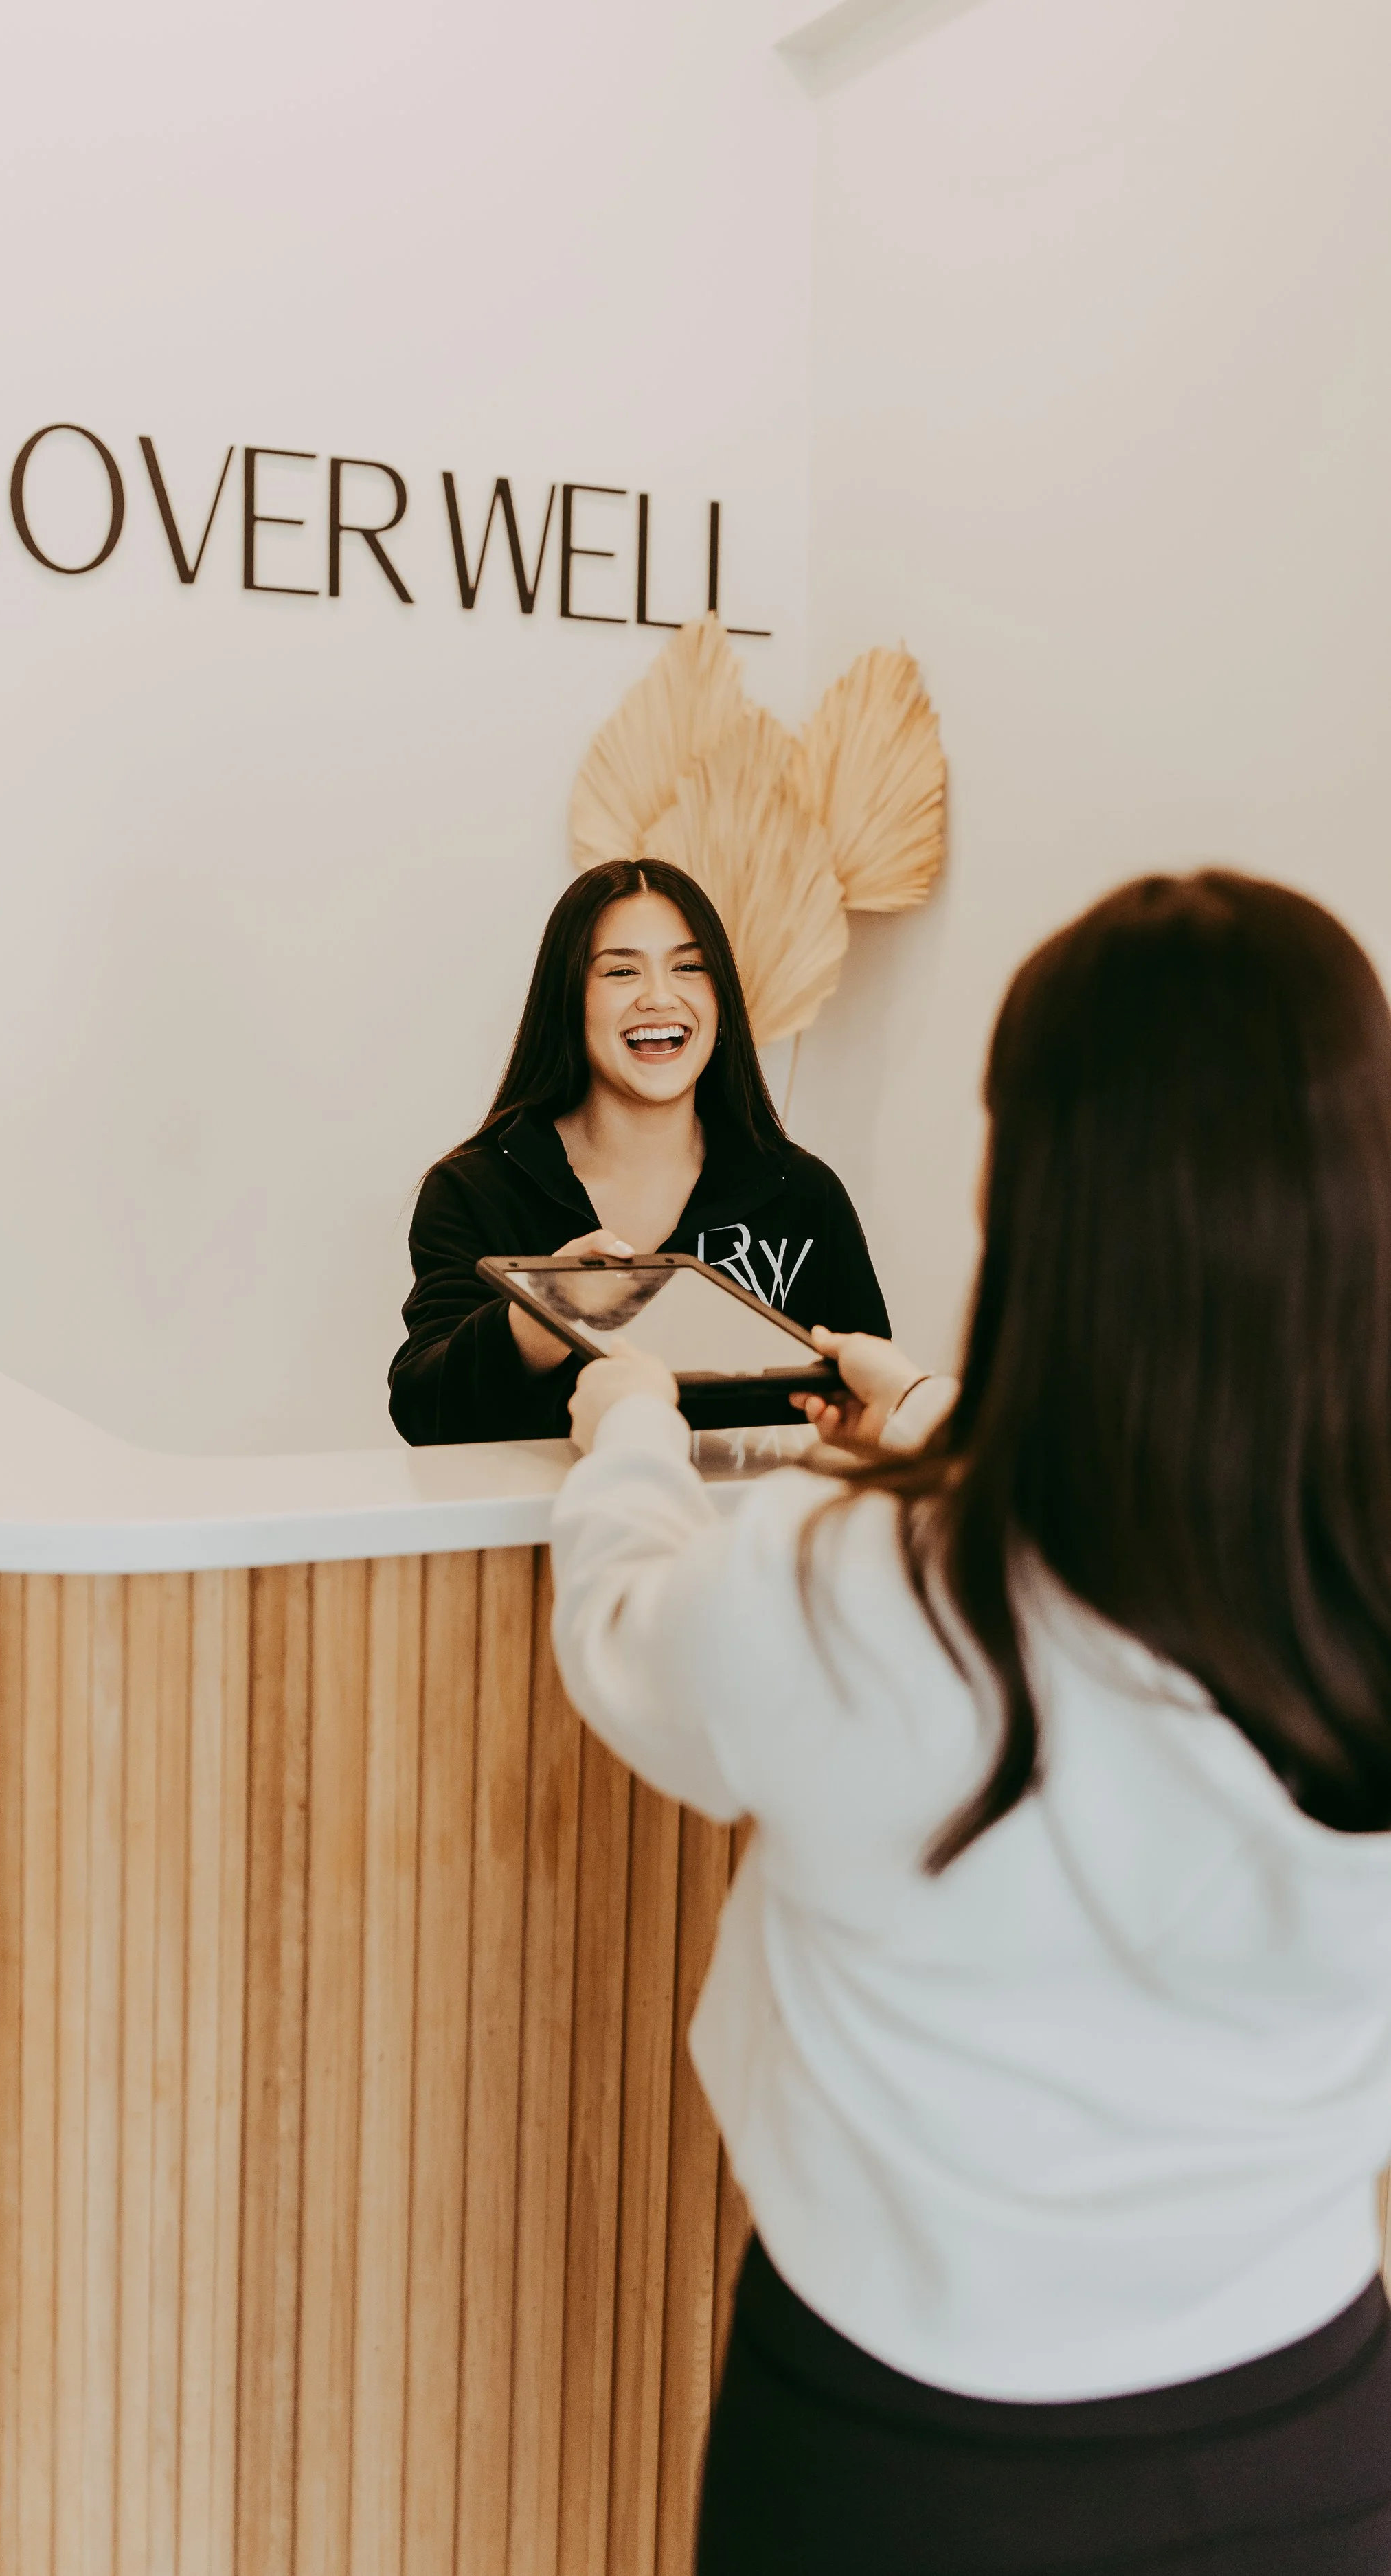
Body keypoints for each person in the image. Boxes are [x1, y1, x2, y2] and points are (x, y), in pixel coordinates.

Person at [549, 871, 1391, 2575]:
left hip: (889, 2459)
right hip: (1303, 2448)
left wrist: (630, 1418)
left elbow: (629, 1637)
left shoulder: (852, 1581)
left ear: (1021, 1184)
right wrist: (924, 1406)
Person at [388, 858, 887, 1443]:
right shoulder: (475, 1189)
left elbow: (871, 1408)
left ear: (720, 999)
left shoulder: (803, 1194)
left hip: (752, 1533)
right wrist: (541, 1318)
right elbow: (424, 1415)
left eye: (689, 966)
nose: (659, 996)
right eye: (622, 971)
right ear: (568, 1000)